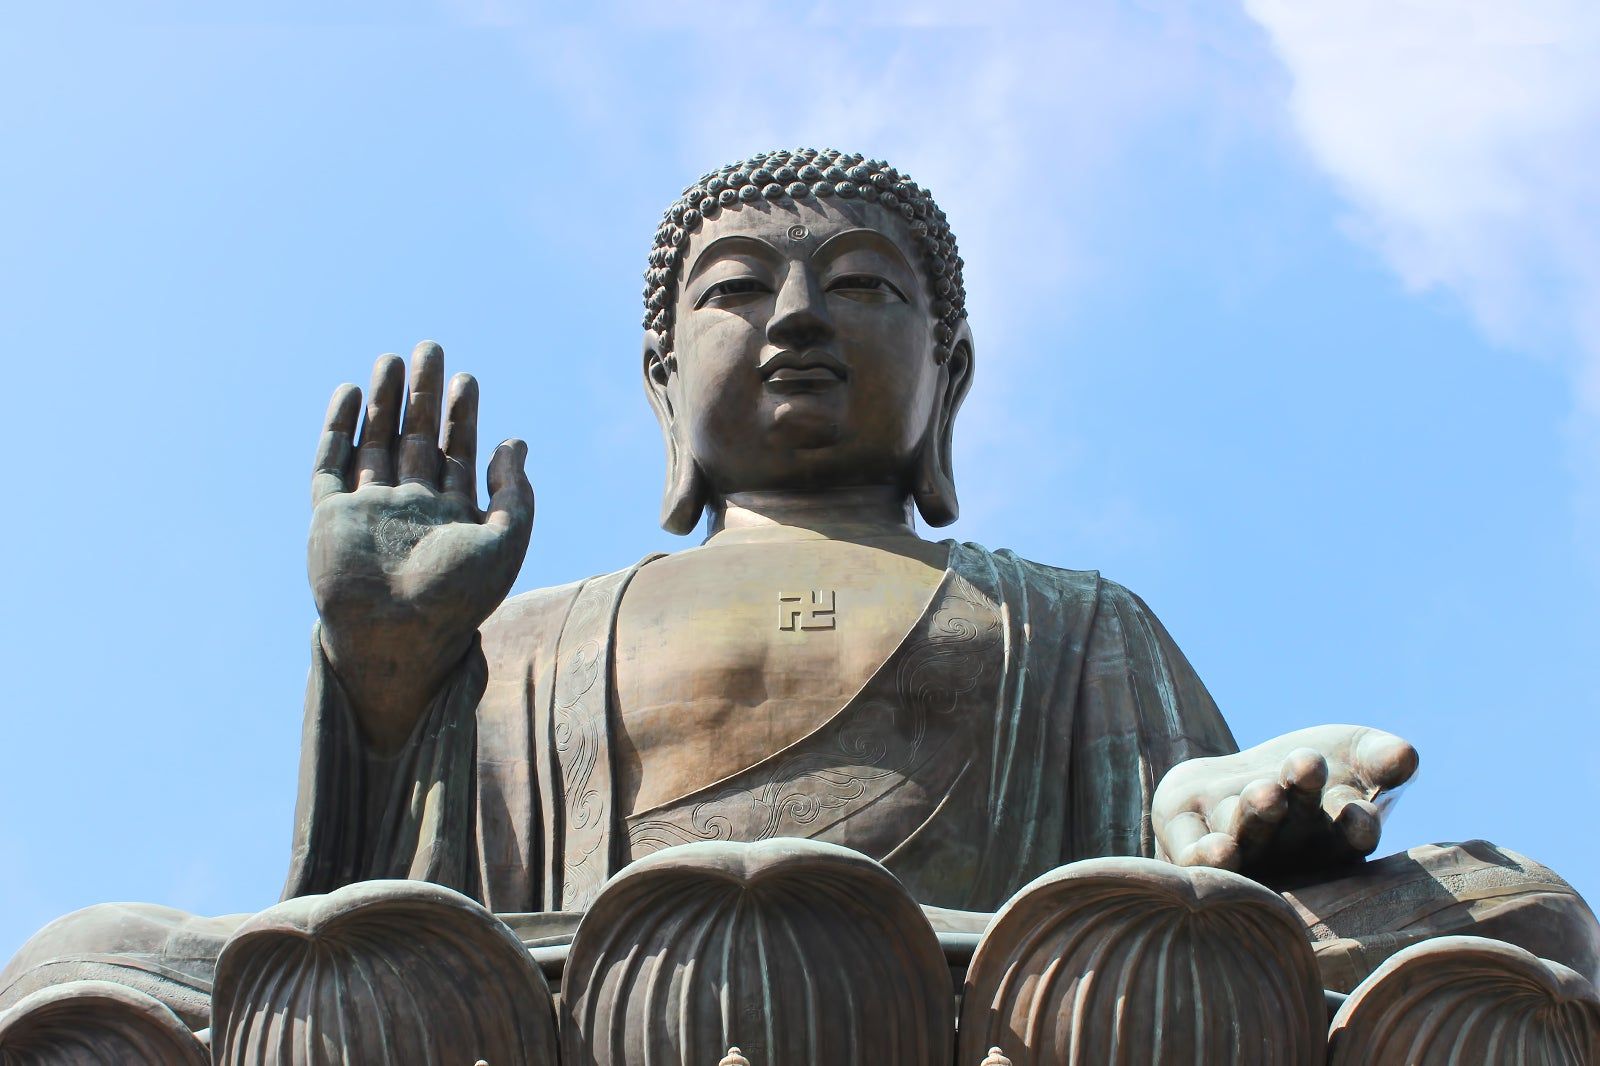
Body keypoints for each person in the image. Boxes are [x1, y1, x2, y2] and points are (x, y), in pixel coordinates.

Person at [4, 149, 1594, 1032]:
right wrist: (391, 673)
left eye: (864, 287)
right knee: (79, 966)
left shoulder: (1069, 616)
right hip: (563, 1003)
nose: (797, 319)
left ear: (947, 377)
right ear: (658, 385)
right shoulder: (538, 632)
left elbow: (1174, 856)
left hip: (998, 1001)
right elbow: (390, 913)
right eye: (737, 289)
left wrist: (1237, 813)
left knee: (1517, 913)